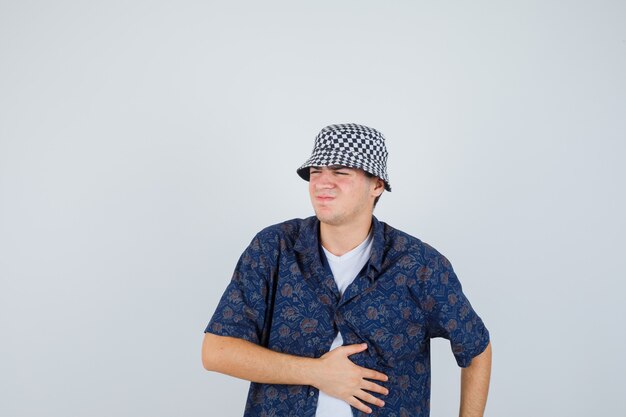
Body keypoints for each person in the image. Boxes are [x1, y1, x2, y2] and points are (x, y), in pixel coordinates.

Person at [202, 123, 492, 417]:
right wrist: (316, 372)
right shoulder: (273, 249)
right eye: (316, 172)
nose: (323, 183)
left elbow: (476, 348)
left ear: (376, 185)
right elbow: (217, 352)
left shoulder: (420, 265)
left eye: (341, 172)